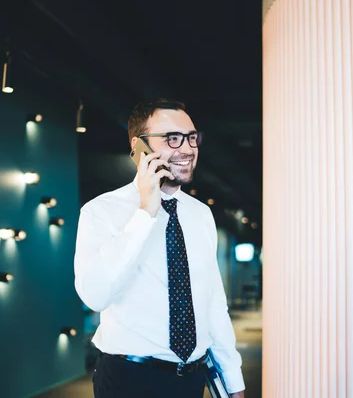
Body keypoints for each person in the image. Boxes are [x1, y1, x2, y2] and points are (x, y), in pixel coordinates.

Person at [74, 99, 245, 398]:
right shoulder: (101, 211)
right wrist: (145, 212)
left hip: (192, 380)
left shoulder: (200, 214)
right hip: (130, 379)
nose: (188, 148)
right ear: (138, 146)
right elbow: (95, 295)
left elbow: (213, 305)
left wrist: (233, 381)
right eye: (172, 138)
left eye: (191, 137)